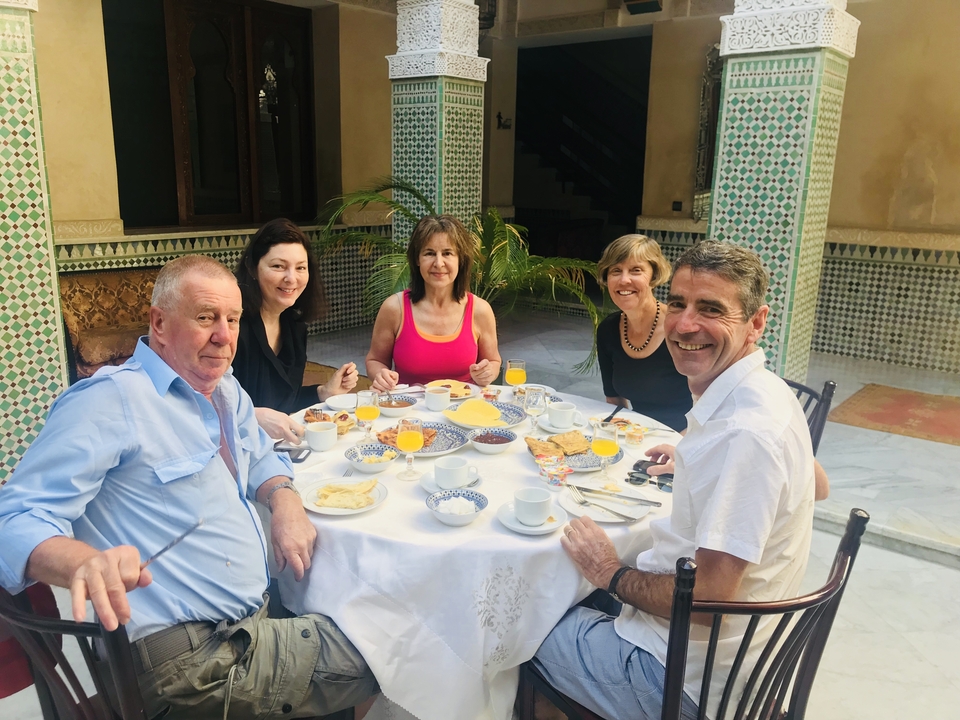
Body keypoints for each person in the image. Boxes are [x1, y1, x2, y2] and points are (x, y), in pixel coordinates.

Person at [0, 255, 377, 719]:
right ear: (159, 322)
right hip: (194, 662)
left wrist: (285, 501)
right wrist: (82, 562)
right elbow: (13, 520)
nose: (224, 335)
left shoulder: (224, 390)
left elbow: (261, 455)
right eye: (205, 318)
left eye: (233, 319)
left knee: (357, 605)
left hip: (246, 624)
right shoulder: (109, 401)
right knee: (382, 649)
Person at [533, 242, 817, 720]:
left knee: (522, 627)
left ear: (757, 322)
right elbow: (809, 485)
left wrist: (611, 573)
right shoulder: (761, 392)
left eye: (711, 309)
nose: (685, 324)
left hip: (684, 678)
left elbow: (705, 600)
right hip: (722, 652)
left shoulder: (746, 433)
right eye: (679, 303)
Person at [233, 218, 359, 443]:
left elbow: (285, 401)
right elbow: (202, 405)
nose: (291, 278)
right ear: (252, 268)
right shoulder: (232, 327)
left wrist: (324, 392)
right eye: (278, 266)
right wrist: (251, 416)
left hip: (278, 449)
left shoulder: (295, 327)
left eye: (300, 267)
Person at [365, 214, 501, 390]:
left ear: (460, 259)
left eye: (447, 253)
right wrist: (380, 375)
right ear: (417, 259)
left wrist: (488, 372)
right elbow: (374, 360)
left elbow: (494, 360)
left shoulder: (480, 310)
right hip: (408, 411)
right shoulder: (394, 308)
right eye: (429, 253)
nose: (439, 263)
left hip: (464, 411)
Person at [596, 234, 692, 432]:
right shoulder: (608, 329)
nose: (624, 280)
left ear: (654, 276)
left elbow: (708, 402)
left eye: (636, 270)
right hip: (637, 438)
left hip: (685, 440)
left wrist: (680, 450)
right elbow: (614, 399)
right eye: (615, 271)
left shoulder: (681, 328)